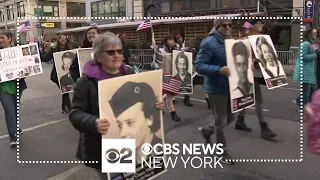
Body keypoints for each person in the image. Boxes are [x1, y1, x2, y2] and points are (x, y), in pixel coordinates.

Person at [69, 32, 164, 180]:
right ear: (99, 56)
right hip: (101, 146)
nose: (117, 55)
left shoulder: (131, 74)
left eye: (119, 51)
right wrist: (94, 123)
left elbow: (143, 106)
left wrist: (156, 104)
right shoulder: (85, 82)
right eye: (111, 52)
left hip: (133, 142)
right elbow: (75, 113)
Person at [195, 18, 235, 165]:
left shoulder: (231, 41)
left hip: (232, 87)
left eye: (230, 25)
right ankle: (221, 151)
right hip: (216, 88)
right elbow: (198, 66)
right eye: (223, 25)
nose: (227, 27)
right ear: (217, 27)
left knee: (231, 117)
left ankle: (207, 131)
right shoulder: (208, 43)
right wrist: (218, 70)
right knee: (221, 120)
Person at [234, 20, 277, 141]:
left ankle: (239, 120)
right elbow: (239, 56)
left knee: (248, 98)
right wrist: (251, 61)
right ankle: (263, 127)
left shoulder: (260, 39)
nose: (261, 25)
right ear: (252, 26)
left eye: (262, 23)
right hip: (247, 74)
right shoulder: (246, 40)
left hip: (254, 74)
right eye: (259, 23)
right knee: (256, 99)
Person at [108, 81, 163, 160]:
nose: (122, 134)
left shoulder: (161, 151)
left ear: (149, 119)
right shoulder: (121, 158)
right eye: (120, 125)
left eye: (130, 123)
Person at [0, 29, 25, 146]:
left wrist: (23, 73)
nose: (0, 40)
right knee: (9, 110)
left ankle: (15, 127)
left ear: (9, 39)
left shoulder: (18, 51)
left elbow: (26, 66)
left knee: (15, 109)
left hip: (17, 85)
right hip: (3, 87)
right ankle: (12, 136)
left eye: (2, 38)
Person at [40, 34, 74, 113]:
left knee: (65, 91)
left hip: (66, 74)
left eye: (64, 39)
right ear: (58, 40)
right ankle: (71, 110)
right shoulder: (53, 49)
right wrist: (39, 52)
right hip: (56, 75)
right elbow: (45, 59)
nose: (63, 40)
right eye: (61, 38)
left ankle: (63, 108)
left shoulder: (69, 49)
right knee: (65, 91)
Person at [157, 35, 182, 121]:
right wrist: (156, 52)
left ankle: (172, 113)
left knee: (170, 94)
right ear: (166, 40)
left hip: (174, 74)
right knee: (162, 93)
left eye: (173, 39)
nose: (172, 41)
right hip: (164, 74)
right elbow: (158, 61)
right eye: (169, 39)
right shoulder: (161, 50)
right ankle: (163, 109)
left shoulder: (177, 49)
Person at [294, 27, 318, 108]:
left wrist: (317, 53)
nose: (316, 34)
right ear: (309, 34)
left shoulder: (312, 44)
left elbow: (316, 52)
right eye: (314, 33)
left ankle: (304, 103)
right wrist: (316, 55)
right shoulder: (305, 44)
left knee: (312, 89)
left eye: (316, 33)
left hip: (310, 71)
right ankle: (302, 106)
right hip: (304, 71)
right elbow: (303, 56)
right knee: (306, 90)